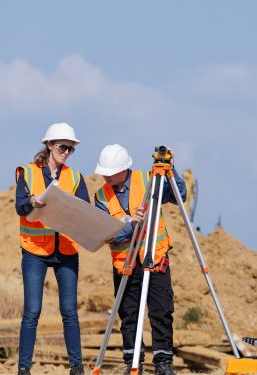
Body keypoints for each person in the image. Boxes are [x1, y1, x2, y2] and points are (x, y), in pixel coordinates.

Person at [93, 144, 186, 375]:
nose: (106, 176)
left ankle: (163, 362)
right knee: (129, 315)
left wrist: (170, 171)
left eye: (110, 171)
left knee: (161, 311)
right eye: (104, 172)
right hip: (124, 263)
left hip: (154, 256)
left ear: (124, 168)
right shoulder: (101, 196)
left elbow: (179, 197)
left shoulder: (148, 180)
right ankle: (132, 362)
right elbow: (106, 235)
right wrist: (130, 224)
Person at [15, 123, 88, 375]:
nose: (66, 152)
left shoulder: (75, 177)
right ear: (49, 145)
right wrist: (33, 201)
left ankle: (76, 367)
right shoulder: (27, 172)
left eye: (70, 149)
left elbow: (85, 211)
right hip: (35, 250)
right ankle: (24, 368)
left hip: (66, 251)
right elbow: (20, 206)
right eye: (62, 147)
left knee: (69, 312)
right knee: (32, 312)